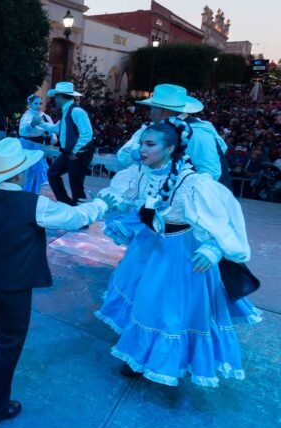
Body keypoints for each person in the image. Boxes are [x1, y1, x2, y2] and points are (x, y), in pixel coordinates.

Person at [0, 137, 113, 424]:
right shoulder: (35, 204)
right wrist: (100, 205)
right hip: (14, 284)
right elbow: (75, 218)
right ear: (19, 173)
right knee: (8, 342)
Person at [96, 118, 261, 386]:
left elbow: (222, 221)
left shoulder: (193, 183)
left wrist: (212, 248)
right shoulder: (140, 172)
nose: (142, 149)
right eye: (142, 143)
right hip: (148, 246)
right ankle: (139, 353)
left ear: (171, 148)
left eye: (150, 144)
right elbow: (125, 200)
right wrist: (104, 205)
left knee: (170, 309)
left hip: (180, 251)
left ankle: (167, 360)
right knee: (143, 301)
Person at [116, 84, 230, 186]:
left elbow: (210, 173)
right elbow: (123, 158)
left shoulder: (197, 133)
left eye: (152, 108)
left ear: (160, 110)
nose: (149, 112)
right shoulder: (160, 129)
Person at [35, 82, 94, 206]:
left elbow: (87, 134)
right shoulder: (68, 111)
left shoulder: (76, 111)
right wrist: (40, 123)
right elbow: (57, 129)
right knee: (52, 173)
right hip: (70, 153)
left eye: (56, 96)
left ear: (61, 96)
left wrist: (74, 151)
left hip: (78, 154)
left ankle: (81, 214)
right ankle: (67, 204)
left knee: (76, 187)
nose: (55, 99)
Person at [18, 94, 56, 193]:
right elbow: (22, 131)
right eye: (36, 103)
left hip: (37, 146)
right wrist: (32, 125)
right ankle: (23, 192)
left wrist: (52, 137)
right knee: (25, 170)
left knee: (36, 171)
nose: (38, 105)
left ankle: (33, 192)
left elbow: (52, 129)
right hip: (25, 145)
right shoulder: (26, 116)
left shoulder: (45, 116)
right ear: (30, 104)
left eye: (40, 103)